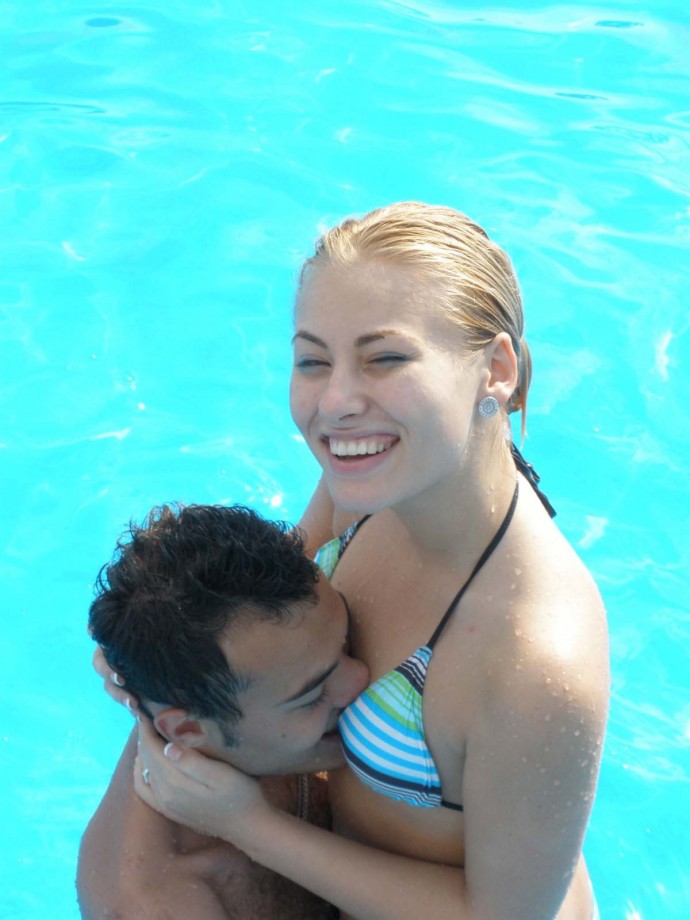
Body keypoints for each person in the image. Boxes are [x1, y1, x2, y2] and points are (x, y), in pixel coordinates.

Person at [133, 201, 610, 919]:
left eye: (385, 358)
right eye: (312, 360)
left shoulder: (533, 654)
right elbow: (261, 632)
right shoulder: (367, 487)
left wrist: (248, 826)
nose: (337, 402)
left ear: (496, 370)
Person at [78, 502, 368, 920]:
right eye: (312, 694)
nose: (360, 678)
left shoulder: (275, 643)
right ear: (188, 729)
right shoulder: (166, 902)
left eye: (346, 642)